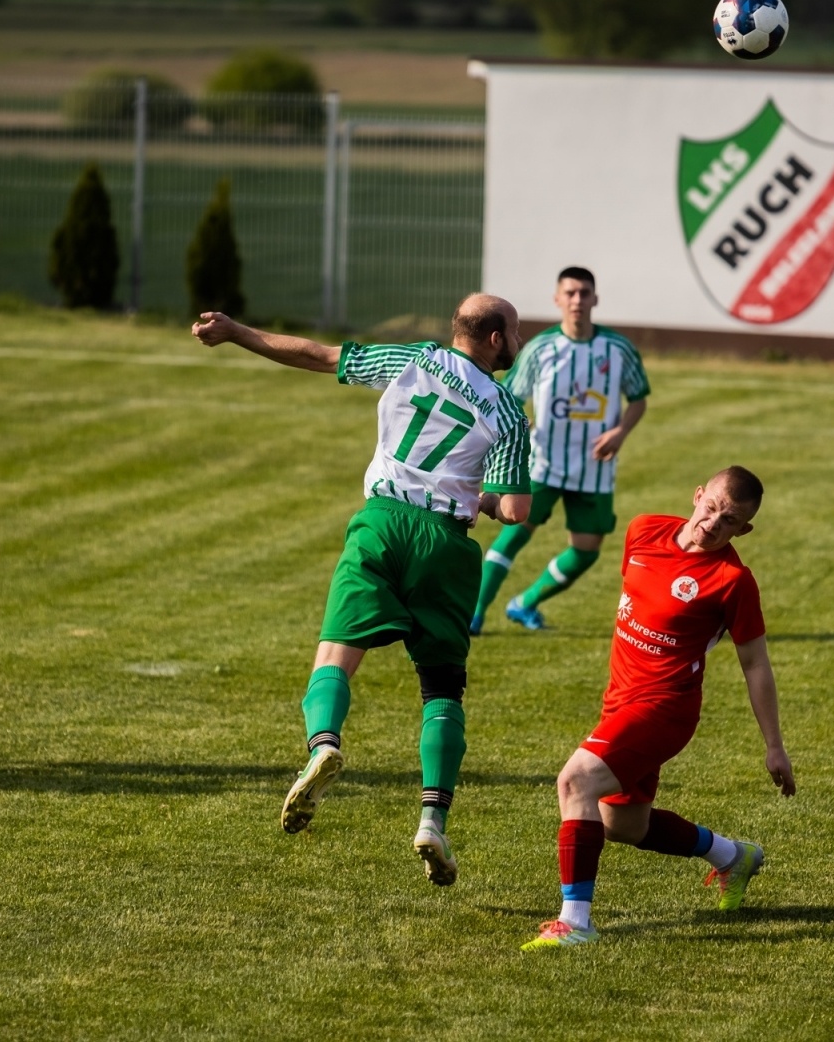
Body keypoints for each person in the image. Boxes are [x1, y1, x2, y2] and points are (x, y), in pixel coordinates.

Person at [191, 295, 532, 886]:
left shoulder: (413, 358)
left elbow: (319, 355)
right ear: (497, 340)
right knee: (442, 689)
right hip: (446, 544)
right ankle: (433, 821)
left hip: (380, 522)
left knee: (336, 655)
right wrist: (482, 497)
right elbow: (517, 510)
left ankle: (323, 744)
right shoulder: (507, 411)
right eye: (518, 332)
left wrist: (235, 331)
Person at [521, 466, 795, 950]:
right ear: (697, 496)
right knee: (622, 825)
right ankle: (733, 857)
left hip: (665, 709)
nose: (713, 523)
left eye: (729, 521)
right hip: (619, 700)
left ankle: (575, 923)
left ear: (743, 530)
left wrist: (774, 745)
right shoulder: (643, 530)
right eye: (711, 508)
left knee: (575, 781)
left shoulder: (733, 581)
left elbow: (755, 664)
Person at [470, 266, 650, 635]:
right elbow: (510, 399)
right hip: (543, 464)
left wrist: (621, 430)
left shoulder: (618, 349)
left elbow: (638, 399)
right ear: (557, 299)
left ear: (595, 299)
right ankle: (474, 613)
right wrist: (519, 429)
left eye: (584, 293)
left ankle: (524, 603)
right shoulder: (539, 348)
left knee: (586, 550)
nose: (577, 300)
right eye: (569, 293)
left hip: (595, 469)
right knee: (514, 531)